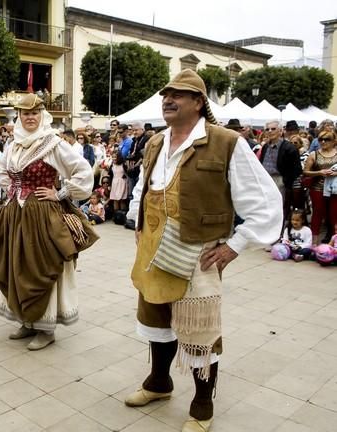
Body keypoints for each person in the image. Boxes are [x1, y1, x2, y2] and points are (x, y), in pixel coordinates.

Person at [125, 69, 282, 432]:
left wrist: (235, 246)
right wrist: (138, 225)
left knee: (199, 332)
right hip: (152, 250)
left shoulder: (226, 142)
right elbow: (142, 190)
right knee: (156, 322)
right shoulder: (154, 142)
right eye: (167, 92)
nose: (169, 99)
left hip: (199, 253)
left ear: (199, 102)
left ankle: (201, 403)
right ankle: (159, 383)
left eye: (179, 94)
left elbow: (265, 201)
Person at [0, 93, 98, 351]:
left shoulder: (52, 143)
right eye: (25, 114)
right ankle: (26, 320)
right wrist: (13, 189)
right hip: (15, 213)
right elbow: (3, 173)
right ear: (20, 117)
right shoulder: (13, 145)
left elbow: (83, 170)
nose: (30, 117)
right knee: (17, 265)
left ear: (42, 115)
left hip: (43, 215)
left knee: (40, 266)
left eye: (34, 113)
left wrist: (60, 192)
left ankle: (46, 328)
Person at [258, 120, 301, 232]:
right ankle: (267, 233)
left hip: (280, 180)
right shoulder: (266, 147)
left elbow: (297, 169)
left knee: (279, 209)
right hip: (266, 180)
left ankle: (278, 235)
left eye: (273, 129)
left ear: (281, 131)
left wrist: (286, 181)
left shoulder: (289, 148)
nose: (270, 131)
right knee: (266, 209)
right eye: (267, 129)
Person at [303, 130, 337, 245]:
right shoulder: (314, 154)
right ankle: (314, 243)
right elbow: (305, 172)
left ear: (334, 141)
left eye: (326, 139)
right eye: (320, 139)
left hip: (334, 190)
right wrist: (319, 172)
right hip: (317, 189)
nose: (323, 141)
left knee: (334, 216)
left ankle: (334, 243)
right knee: (317, 215)